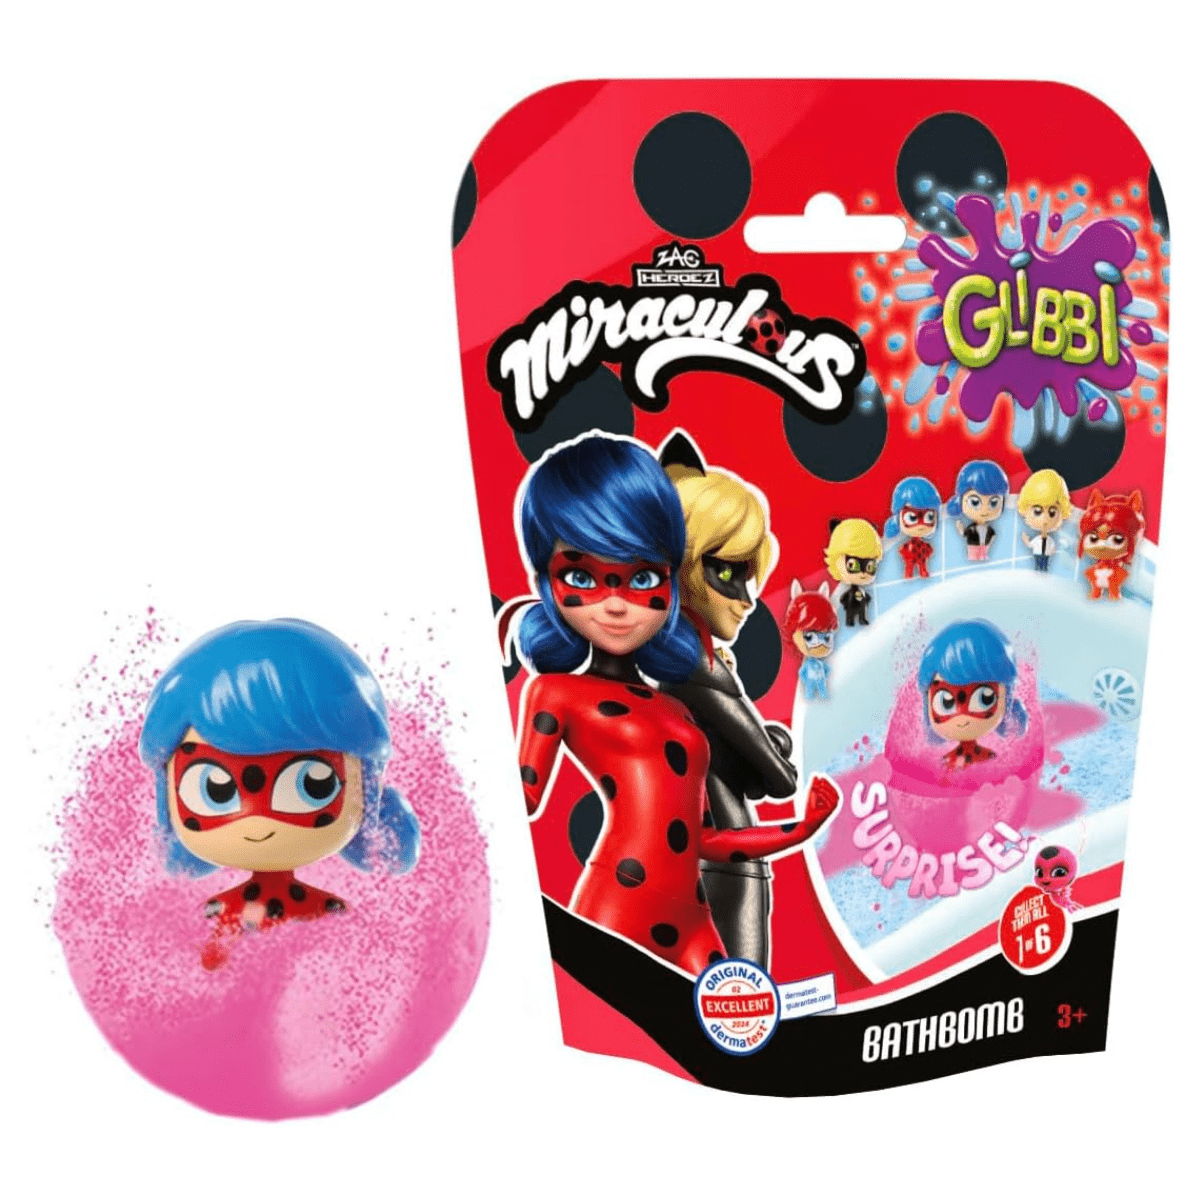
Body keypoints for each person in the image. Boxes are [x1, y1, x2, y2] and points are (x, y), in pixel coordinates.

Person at [508, 434, 838, 975]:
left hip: (695, 924)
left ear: (671, 576)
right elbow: (516, 800)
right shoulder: (557, 693)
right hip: (617, 910)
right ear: (547, 578)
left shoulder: (674, 708)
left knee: (749, 1015)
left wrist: (802, 828)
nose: (616, 605)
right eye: (581, 577)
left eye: (641, 579)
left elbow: (706, 839)